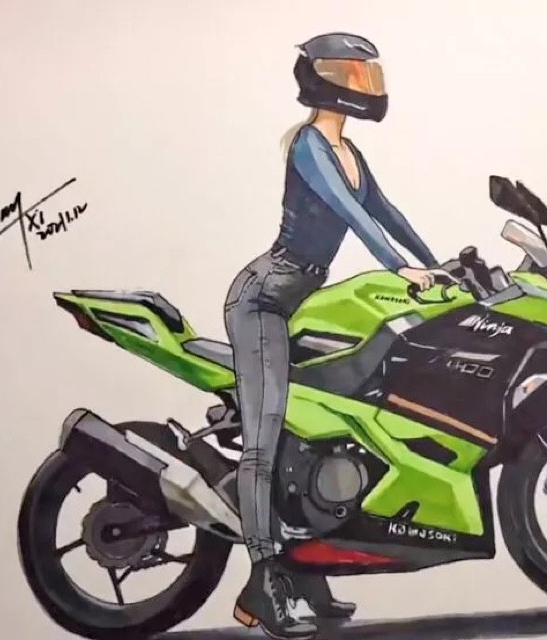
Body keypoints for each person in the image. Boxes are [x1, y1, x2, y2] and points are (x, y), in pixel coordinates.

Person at [226, 32, 444, 640]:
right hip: (265, 298)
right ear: (322, 80)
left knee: (313, 439)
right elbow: (355, 216)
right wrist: (398, 267)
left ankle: (305, 571)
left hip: (303, 301)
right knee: (264, 442)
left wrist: (440, 264)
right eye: (352, 74)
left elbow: (387, 211)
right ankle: (263, 581)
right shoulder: (309, 146)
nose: (364, 85)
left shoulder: (349, 150)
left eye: (366, 74)